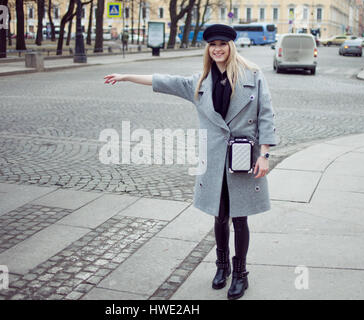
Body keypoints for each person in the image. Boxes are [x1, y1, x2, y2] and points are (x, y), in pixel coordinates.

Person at [103, 24, 277, 300]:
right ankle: (222, 266)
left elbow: (266, 115)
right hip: (214, 159)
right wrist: (125, 76)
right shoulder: (200, 81)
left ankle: (241, 273)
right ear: (207, 49)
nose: (217, 49)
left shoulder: (253, 76)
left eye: (222, 43)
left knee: (240, 218)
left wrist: (265, 155)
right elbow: (163, 80)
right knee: (220, 217)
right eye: (212, 45)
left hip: (243, 157)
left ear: (231, 46)